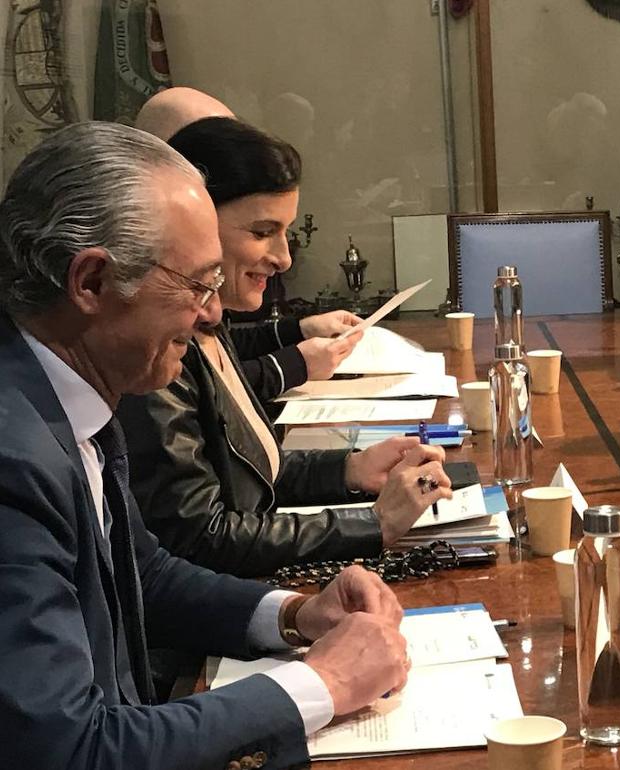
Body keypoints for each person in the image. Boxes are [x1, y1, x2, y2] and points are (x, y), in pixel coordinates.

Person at [0, 121, 415, 769]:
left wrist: (299, 615)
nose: (215, 314)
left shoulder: (73, 387)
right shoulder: (12, 459)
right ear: (92, 283)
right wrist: (323, 684)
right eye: (197, 285)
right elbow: (72, 748)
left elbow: (145, 574)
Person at [119, 117, 453, 577]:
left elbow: (251, 473)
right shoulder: (156, 355)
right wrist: (373, 523)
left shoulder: (211, 326)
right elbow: (199, 537)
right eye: (261, 232)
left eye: (285, 232)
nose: (285, 257)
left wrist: (350, 470)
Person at [135, 87, 359, 402]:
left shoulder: (203, 314)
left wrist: (297, 331)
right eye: (262, 232)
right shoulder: (144, 336)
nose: (284, 261)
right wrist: (293, 364)